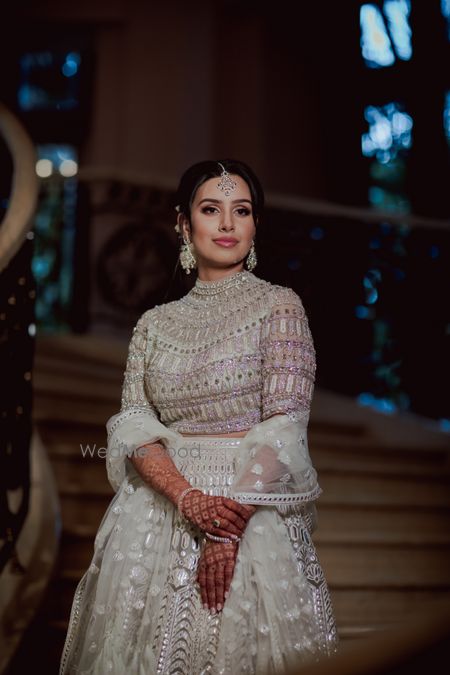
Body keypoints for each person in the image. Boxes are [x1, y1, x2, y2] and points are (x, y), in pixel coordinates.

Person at [59, 159, 339, 675]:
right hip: (156, 518)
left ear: (255, 225)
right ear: (185, 225)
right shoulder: (152, 324)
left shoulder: (279, 306)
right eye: (212, 210)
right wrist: (186, 498)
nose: (227, 224)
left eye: (242, 211)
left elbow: (284, 429)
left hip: (250, 513)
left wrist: (225, 531)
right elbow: (135, 427)